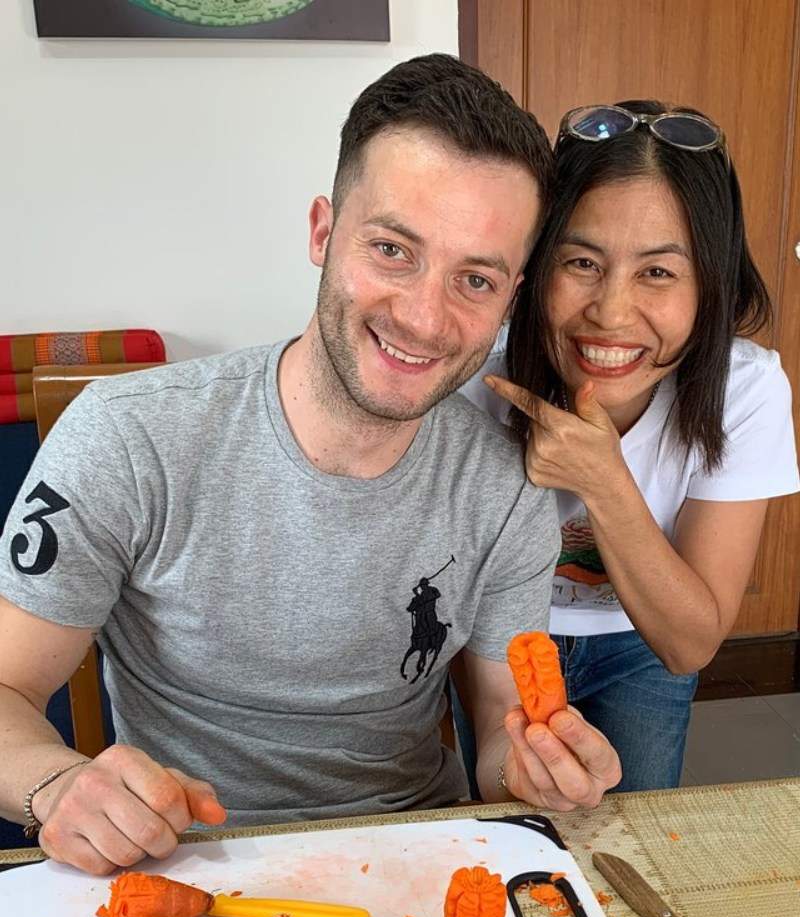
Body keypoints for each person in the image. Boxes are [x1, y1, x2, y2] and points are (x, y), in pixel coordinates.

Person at [0, 55, 621, 875]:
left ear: (510, 296)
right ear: (323, 232)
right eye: (393, 249)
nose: (425, 317)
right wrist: (57, 785)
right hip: (183, 861)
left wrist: (540, 772)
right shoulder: (128, 439)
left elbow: (503, 737)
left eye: (475, 278)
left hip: (415, 853)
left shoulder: (507, 488)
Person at [459, 100, 800, 792]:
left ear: (711, 284)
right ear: (536, 266)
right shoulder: (475, 375)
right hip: (503, 639)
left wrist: (602, 478)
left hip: (643, 644)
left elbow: (688, 644)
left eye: (658, 273)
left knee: (636, 827)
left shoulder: (744, 389)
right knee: (511, 814)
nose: (611, 313)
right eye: (582, 262)